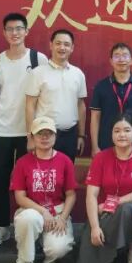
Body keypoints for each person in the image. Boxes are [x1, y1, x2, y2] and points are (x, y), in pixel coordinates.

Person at [0, 12, 42, 247]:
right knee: (0, 180)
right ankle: (1, 227)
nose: (15, 33)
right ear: (4, 33)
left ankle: (29, 227)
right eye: (10, 29)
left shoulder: (38, 58)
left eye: (19, 28)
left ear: (26, 31)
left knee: (31, 181)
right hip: (1, 129)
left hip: (30, 131)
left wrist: (35, 132)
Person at [75, 113, 132, 263]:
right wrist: (95, 227)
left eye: (127, 130)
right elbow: (91, 196)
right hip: (105, 215)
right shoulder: (100, 158)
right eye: (117, 131)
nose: (122, 135)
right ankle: (111, 254)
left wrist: (112, 203)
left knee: (130, 209)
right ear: (111, 134)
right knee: (87, 260)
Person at [10, 116, 77, 263]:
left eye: (49, 133)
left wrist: (63, 218)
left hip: (57, 212)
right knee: (29, 219)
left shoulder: (65, 161)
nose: (44, 137)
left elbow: (71, 194)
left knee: (58, 250)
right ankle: (24, 258)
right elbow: (20, 197)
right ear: (32, 137)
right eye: (40, 133)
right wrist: (43, 211)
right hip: (32, 210)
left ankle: (46, 248)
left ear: (55, 136)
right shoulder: (23, 162)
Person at [24, 28, 87, 163]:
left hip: (70, 135)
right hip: (44, 134)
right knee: (44, 173)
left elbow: (81, 105)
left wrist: (81, 135)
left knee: (66, 172)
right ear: (51, 45)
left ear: (72, 48)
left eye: (66, 44)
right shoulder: (38, 73)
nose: (62, 47)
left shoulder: (78, 74)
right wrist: (30, 136)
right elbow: (30, 105)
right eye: (58, 43)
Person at [89, 43, 132, 156]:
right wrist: (95, 146)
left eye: (125, 56)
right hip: (106, 143)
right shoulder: (101, 86)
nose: (121, 59)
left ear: (131, 60)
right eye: (117, 56)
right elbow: (95, 117)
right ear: (111, 61)